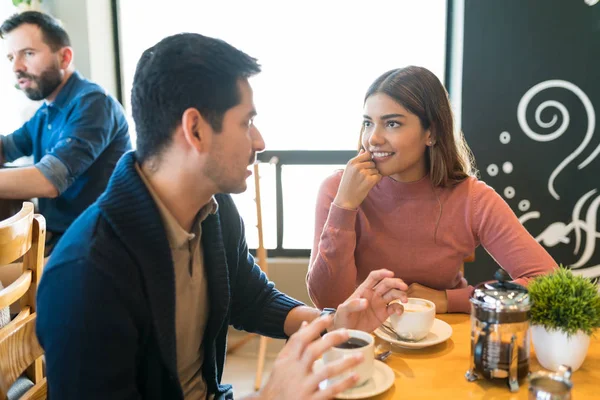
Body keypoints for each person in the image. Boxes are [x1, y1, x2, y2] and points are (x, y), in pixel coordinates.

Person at [36, 33, 408, 400]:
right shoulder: (86, 274)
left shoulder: (212, 207)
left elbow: (249, 298)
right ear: (195, 129)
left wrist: (333, 324)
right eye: (247, 122)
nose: (259, 141)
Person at [307, 66, 556, 314]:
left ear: (432, 132)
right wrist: (344, 208)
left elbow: (547, 283)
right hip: (364, 340)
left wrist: (448, 300)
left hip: (446, 337)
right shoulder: (337, 190)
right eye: (368, 123)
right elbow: (327, 302)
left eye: (392, 123)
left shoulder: (472, 198)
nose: (373, 138)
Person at [0, 11, 131, 254]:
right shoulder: (48, 109)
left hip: (98, 247)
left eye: (28, 54)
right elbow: (6, 148)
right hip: (63, 241)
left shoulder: (92, 103)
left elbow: (48, 180)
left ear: (64, 57)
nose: (16, 67)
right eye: (10, 57)